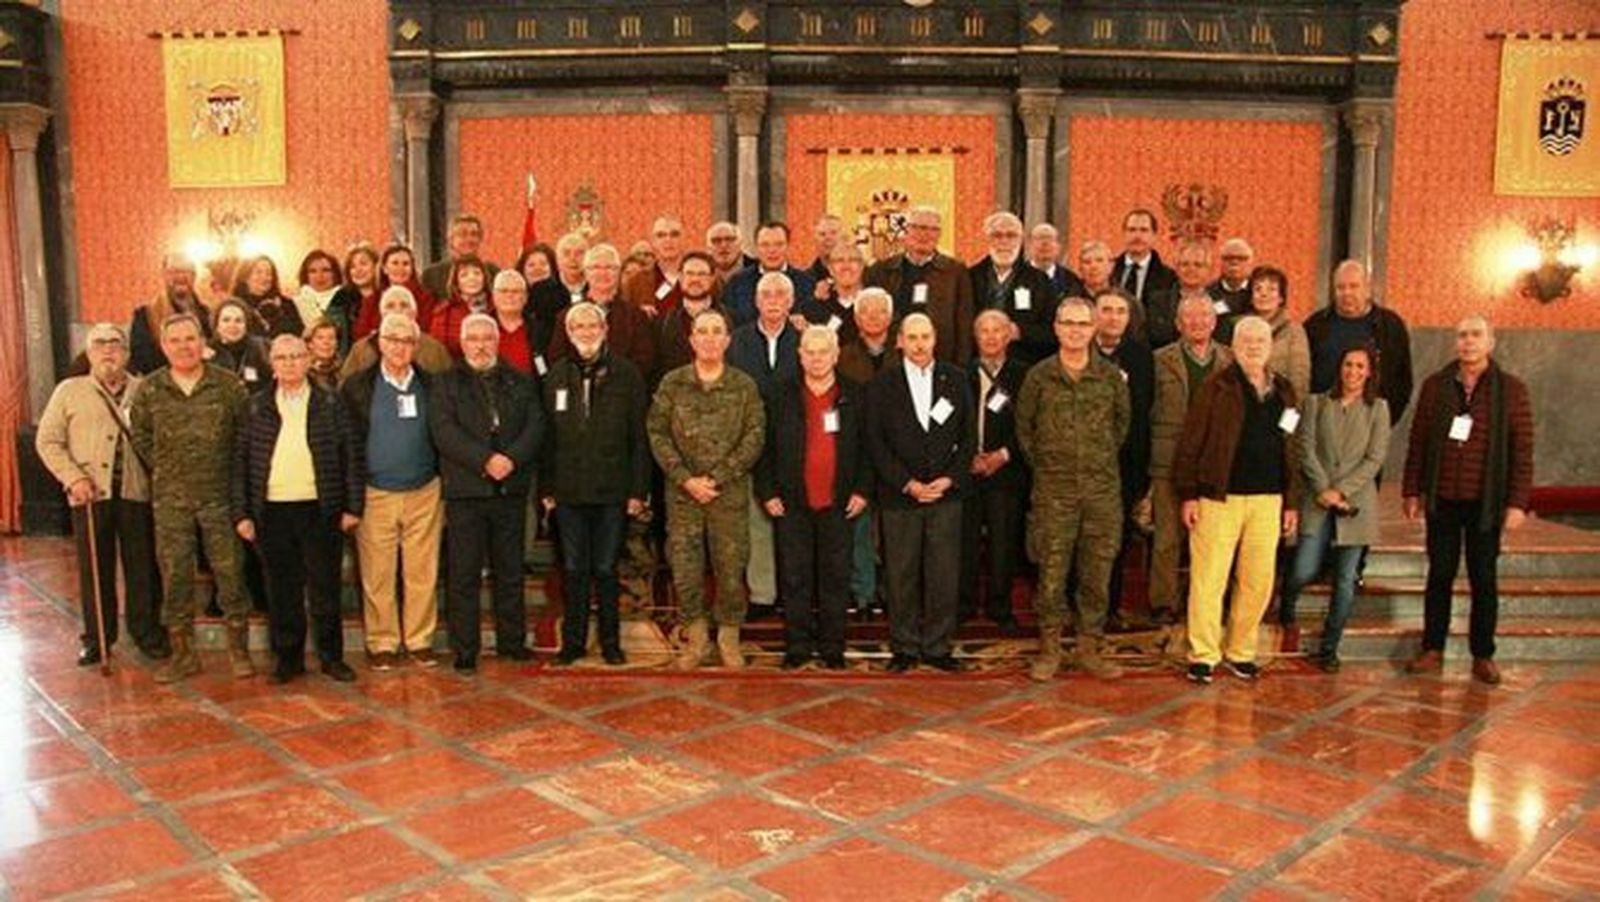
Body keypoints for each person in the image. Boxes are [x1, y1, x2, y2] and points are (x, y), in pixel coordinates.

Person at [1402, 316, 1533, 686]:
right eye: (1462, 336)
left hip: (1486, 503)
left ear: (1490, 342)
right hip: (1442, 498)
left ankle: (1483, 654)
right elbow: (1418, 441)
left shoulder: (1512, 390)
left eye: (1476, 335)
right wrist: (1411, 490)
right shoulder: (1436, 386)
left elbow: (1522, 451)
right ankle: (1432, 647)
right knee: (1439, 575)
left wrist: (1517, 502)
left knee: (1483, 578)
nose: (1468, 342)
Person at [1174, 316, 1302, 684]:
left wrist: (1291, 501)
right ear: (1233, 346)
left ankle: (1241, 651)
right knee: (1209, 579)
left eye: (1261, 340)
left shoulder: (1286, 391)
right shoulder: (1216, 386)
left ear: (1271, 346)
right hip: (1219, 497)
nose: (1254, 346)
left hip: (1268, 500)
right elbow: (1192, 440)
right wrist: (1189, 494)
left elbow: (1291, 447)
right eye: (1246, 340)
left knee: (1257, 581)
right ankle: (1203, 654)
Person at [129, 313, 254, 682]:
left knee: (230, 573)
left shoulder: (228, 385)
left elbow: (244, 436)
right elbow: (141, 436)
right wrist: (167, 467)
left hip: (220, 497)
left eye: (190, 339)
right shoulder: (150, 389)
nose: (184, 347)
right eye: (175, 340)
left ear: (202, 342)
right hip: (171, 500)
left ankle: (239, 650)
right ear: (164, 346)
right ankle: (183, 655)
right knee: (175, 576)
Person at [232, 334, 360, 684]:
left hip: (320, 508)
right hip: (271, 510)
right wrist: (241, 513)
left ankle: (332, 657)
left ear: (308, 360)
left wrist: (353, 506)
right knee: (281, 590)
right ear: (272, 364)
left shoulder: (331, 402)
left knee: (325, 588)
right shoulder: (255, 406)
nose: (290, 363)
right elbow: (240, 461)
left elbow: (351, 455)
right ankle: (288, 659)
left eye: (296, 356)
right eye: (282, 358)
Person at [37, 324, 167, 665]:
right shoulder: (69, 391)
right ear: (89, 352)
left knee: (143, 567)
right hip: (90, 493)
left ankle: (146, 632)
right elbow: (48, 441)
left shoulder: (145, 389)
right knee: (95, 568)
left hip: (137, 492)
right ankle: (97, 637)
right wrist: (73, 478)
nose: (108, 350)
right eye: (100, 344)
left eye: (115, 343)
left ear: (126, 352)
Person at [1017, 298, 1129, 681]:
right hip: (1054, 492)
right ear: (1056, 328)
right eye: (1068, 323)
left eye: (1083, 324)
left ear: (1094, 328)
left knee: (1096, 573)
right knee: (1051, 572)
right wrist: (1053, 466)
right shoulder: (1039, 377)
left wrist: (1094, 463)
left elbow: (1121, 427)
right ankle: (1050, 648)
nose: (1076, 331)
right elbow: (1025, 431)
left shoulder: (1110, 377)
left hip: (1101, 493)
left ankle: (1088, 647)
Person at [649, 308, 766, 670]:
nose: (710, 338)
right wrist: (686, 478)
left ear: (728, 340)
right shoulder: (673, 383)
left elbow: (755, 435)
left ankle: (729, 637)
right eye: (703, 331)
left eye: (717, 331)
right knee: (685, 568)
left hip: (727, 494)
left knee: (731, 568)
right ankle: (696, 639)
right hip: (683, 494)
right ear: (692, 339)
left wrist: (717, 477)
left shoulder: (743, 385)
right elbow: (657, 432)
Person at [431, 315, 544, 673]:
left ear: (497, 341)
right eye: (473, 338)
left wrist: (511, 459)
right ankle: (466, 649)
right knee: (463, 574)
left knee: (510, 571)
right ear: (462, 343)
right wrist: (485, 460)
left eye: (487, 338)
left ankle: (512, 642)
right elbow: (443, 431)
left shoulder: (520, 380)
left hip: (510, 488)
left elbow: (535, 425)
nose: (480, 345)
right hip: (467, 490)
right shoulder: (445, 383)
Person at [542, 303, 649, 666]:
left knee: (605, 569)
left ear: (604, 330)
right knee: (574, 569)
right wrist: (547, 490)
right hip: (568, 491)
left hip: (613, 490)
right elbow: (547, 439)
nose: (586, 332)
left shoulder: (627, 374)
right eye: (579, 327)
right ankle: (572, 643)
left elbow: (639, 437)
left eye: (593, 326)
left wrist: (637, 491)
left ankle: (610, 643)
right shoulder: (556, 375)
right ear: (569, 333)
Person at [758, 326, 869, 669]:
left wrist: (862, 490)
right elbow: (764, 448)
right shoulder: (779, 393)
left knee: (835, 577)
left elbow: (869, 447)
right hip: (792, 503)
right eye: (810, 351)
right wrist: (768, 491)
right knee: (795, 577)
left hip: (840, 503)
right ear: (800, 355)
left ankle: (833, 647)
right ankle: (798, 646)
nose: (817, 358)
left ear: (835, 355)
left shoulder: (855, 394)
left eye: (823, 352)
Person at [867, 312, 972, 672]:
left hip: (945, 496)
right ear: (899, 342)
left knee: (943, 574)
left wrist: (950, 479)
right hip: (900, 497)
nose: (919, 344)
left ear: (935, 339)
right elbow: (875, 442)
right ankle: (905, 646)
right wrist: (907, 484)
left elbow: (969, 436)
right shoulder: (882, 384)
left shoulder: (956, 379)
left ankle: (938, 646)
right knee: (901, 574)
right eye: (911, 337)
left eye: (925, 336)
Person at [341, 313, 444, 671]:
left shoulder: (433, 385)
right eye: (392, 339)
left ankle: (419, 640)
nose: (400, 347)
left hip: (425, 490)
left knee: (422, 572)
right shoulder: (356, 387)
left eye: (407, 341)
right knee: (378, 574)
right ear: (379, 343)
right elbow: (347, 445)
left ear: (416, 345)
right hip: (375, 492)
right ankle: (382, 641)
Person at [1278, 345, 1390, 672]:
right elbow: (1305, 448)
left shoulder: (1378, 408)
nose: (1353, 372)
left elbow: (1375, 458)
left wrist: (1341, 491)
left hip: (1355, 505)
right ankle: (1286, 610)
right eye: (1348, 364)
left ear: (1369, 373)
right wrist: (1323, 489)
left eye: (1360, 366)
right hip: (1317, 500)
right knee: (1304, 569)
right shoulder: (1316, 403)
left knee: (1344, 580)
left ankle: (1329, 648)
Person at [1147, 295, 1232, 625]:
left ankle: (1205, 602)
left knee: (1211, 541)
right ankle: (1163, 603)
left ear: (1214, 321)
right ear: (1178, 323)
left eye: (1204, 316)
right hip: (1168, 460)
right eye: (1190, 317)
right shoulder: (1159, 360)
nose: (1197, 323)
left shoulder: (1230, 360)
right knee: (1167, 539)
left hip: (1213, 463)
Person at [728, 272, 800, 620]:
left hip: (793, 443)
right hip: (748, 440)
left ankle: (794, 589)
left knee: (793, 519)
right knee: (756, 519)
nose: (773, 300)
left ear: (791, 301)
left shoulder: (805, 339)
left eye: (780, 294)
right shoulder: (737, 341)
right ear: (756, 301)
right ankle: (763, 593)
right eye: (766, 294)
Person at [960, 309, 1027, 633]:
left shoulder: (1024, 375)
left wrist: (1002, 454)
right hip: (966, 472)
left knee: (1003, 544)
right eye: (983, 331)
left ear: (1008, 335)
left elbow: (1030, 424)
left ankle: (1000, 607)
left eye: (996, 330)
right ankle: (964, 604)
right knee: (966, 543)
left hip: (1007, 472)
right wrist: (967, 458)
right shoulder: (959, 373)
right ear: (976, 337)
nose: (990, 337)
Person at [1092, 289, 1154, 630]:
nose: (1113, 317)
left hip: (1125, 465)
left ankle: (1110, 608)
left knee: (1115, 540)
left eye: (1120, 311)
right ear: (1094, 315)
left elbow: (1146, 414)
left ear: (1129, 318)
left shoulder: (1141, 357)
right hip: (1083, 465)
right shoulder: (1078, 351)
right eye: (1106, 310)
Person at [1305, 259, 1414, 424]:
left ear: (1367, 289)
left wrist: (1385, 422)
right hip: (1322, 421)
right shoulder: (1315, 325)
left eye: (1354, 286)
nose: (1347, 293)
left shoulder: (1391, 325)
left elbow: (1403, 381)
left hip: (1372, 423)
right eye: (1340, 287)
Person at [865, 206, 974, 364]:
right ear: (906, 230)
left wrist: (961, 366)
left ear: (939, 234)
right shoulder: (881, 271)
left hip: (941, 359)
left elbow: (964, 323)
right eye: (919, 228)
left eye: (932, 229)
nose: (925, 234)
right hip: (892, 360)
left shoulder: (955, 271)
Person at [546, 243, 657, 382]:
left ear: (619, 272)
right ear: (585, 272)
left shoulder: (636, 316)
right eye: (596, 267)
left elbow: (644, 360)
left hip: (623, 389)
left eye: (610, 267)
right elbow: (557, 359)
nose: (603, 273)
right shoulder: (567, 316)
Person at [969, 211, 1059, 368]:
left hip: (1024, 365)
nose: (1004, 241)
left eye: (1011, 235)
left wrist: (1021, 331)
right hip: (976, 365)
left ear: (1021, 240)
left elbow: (1052, 330)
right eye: (997, 235)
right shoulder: (969, 277)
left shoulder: (1040, 281)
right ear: (987, 239)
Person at [340, 286, 454, 379]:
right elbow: (346, 388)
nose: (397, 310)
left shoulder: (435, 350)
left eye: (404, 305)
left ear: (414, 313)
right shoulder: (361, 350)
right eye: (390, 306)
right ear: (382, 313)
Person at [722, 222, 817, 327]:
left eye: (779, 244)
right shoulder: (737, 283)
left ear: (788, 246)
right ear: (756, 247)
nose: (772, 250)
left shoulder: (807, 283)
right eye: (765, 245)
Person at [129, 254, 211, 375]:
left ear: (194, 276)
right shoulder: (145, 316)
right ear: (164, 275)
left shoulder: (207, 314)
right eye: (175, 271)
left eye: (187, 272)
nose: (181, 277)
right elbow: (141, 360)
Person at [1246, 265, 1311, 400]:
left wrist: (1292, 409)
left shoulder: (1294, 332)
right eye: (1258, 289)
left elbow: (1300, 379)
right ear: (1251, 298)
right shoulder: (1242, 329)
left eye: (1271, 289)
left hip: (1280, 403)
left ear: (1281, 297)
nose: (1264, 294)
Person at [655, 251, 722, 379]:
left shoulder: (731, 319)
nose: (695, 279)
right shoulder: (662, 323)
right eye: (689, 273)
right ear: (680, 277)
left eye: (702, 274)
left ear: (712, 278)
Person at [353, 244, 436, 341]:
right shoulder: (372, 300)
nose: (400, 268)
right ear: (385, 268)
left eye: (406, 264)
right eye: (395, 263)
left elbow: (425, 330)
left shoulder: (425, 298)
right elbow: (361, 333)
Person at [1144, 240, 1214, 350]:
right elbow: (1155, 336)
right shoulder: (1157, 301)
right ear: (1176, 268)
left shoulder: (1219, 300)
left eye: (1198, 265)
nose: (1191, 269)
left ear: (1208, 269)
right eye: (1185, 264)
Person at [798, 242, 868, 346]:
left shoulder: (875, 305)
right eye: (839, 261)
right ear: (830, 269)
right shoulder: (812, 309)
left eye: (853, 260)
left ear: (862, 266)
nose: (846, 266)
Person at [1109, 208, 1178, 313]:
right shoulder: (1109, 270)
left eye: (1144, 230)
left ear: (1154, 235)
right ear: (1124, 233)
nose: (1137, 236)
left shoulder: (1169, 278)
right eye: (1132, 230)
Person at [530, 233, 588, 354]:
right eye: (566, 253)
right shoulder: (541, 290)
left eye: (579, 253)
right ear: (557, 259)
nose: (573, 258)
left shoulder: (596, 288)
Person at [622, 215, 688, 317]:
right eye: (661, 235)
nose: (668, 240)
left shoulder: (701, 276)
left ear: (684, 238)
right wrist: (638, 313)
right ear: (653, 241)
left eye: (674, 234)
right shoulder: (635, 282)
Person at [422, 213, 498, 300]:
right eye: (462, 234)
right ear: (451, 240)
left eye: (474, 234)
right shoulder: (431, 275)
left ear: (480, 239)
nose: (469, 239)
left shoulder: (493, 272)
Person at [429, 255, 492, 359]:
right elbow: (438, 351)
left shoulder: (497, 307)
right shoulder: (444, 312)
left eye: (477, 273)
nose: (472, 278)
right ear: (456, 282)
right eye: (464, 275)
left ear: (484, 278)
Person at [232, 255, 305, 339]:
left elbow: (299, 331)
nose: (264, 277)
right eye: (258, 272)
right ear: (245, 277)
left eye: (268, 273)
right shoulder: (235, 306)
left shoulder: (285, 304)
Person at [208, 299, 272, 394]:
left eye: (238, 321)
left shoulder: (261, 348)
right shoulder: (207, 352)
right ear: (217, 325)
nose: (232, 325)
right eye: (226, 320)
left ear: (246, 325)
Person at [837, 287, 899, 384]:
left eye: (880, 311)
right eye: (865, 311)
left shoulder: (903, 353)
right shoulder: (843, 357)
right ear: (856, 319)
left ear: (890, 318)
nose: (873, 317)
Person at [329, 244, 380, 353]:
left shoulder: (387, 294)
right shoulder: (341, 297)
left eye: (363, 263)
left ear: (376, 266)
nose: (358, 270)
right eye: (352, 266)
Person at [1027, 223, 1087, 300]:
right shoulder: (1017, 277)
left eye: (1050, 238)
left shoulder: (1071, 281)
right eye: (1039, 238)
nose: (1045, 243)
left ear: (1059, 247)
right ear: (1029, 246)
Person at [292, 249, 346, 334]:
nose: (319, 276)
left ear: (335, 274)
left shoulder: (347, 301)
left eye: (325, 270)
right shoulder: (294, 305)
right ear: (305, 275)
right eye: (313, 271)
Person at [1208, 238, 1254, 324]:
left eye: (1241, 258)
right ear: (1220, 262)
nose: (1234, 262)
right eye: (1228, 258)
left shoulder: (1257, 292)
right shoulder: (1208, 293)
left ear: (1250, 263)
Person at [305, 318, 343, 392]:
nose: (326, 342)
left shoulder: (345, 370)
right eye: (320, 338)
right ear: (310, 344)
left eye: (331, 338)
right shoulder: (301, 371)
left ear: (337, 344)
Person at [806, 213, 844, 285]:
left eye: (833, 233)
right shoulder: (806, 279)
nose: (828, 238)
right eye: (822, 234)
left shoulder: (861, 275)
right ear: (815, 240)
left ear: (843, 237)